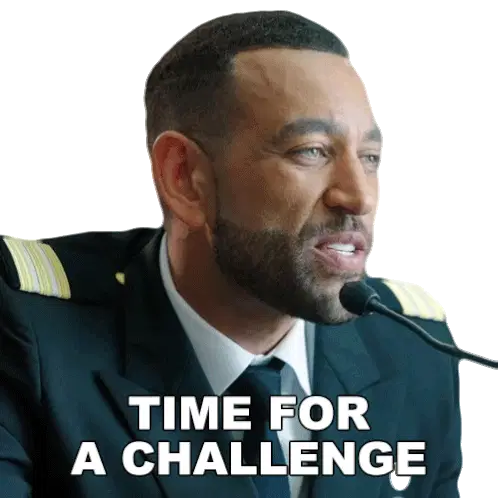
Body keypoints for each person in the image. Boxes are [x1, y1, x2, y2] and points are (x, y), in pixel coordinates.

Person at [0, 10, 461, 498]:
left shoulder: (414, 349)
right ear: (184, 178)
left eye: (370, 158)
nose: (360, 197)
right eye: (311, 151)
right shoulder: (29, 330)